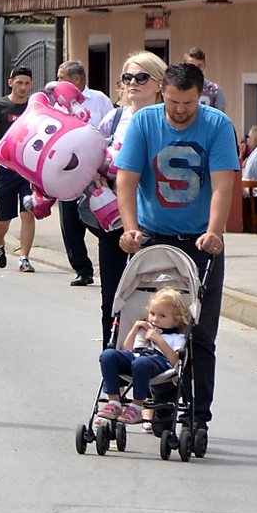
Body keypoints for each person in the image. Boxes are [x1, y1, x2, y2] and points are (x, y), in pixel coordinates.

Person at [115, 62, 239, 432]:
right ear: (161, 94)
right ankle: (163, 410)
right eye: (173, 101)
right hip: (154, 238)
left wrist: (215, 232)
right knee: (158, 326)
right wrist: (130, 229)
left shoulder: (217, 125)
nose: (180, 109)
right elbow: (126, 180)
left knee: (199, 333)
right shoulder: (144, 122)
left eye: (188, 102)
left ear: (200, 95)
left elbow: (222, 185)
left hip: (201, 241)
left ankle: (199, 417)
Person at [95, 52, 167, 338]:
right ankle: (111, 364)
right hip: (115, 221)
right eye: (127, 78)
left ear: (159, 84)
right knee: (112, 299)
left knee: (153, 299)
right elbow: (90, 156)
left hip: (154, 219)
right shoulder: (113, 119)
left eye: (141, 77)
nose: (133, 83)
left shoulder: (165, 120)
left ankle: (151, 361)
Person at [54, 60, 112, 287]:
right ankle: (82, 269)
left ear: (76, 79)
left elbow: (111, 132)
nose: (58, 82)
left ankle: (113, 254)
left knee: (97, 217)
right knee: (69, 221)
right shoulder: (56, 103)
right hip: (66, 171)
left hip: (95, 171)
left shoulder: (100, 100)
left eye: (61, 77)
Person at [96, 288, 190, 426]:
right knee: (108, 355)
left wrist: (158, 339)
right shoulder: (143, 330)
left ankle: (137, 406)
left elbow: (176, 361)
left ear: (176, 321)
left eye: (162, 316)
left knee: (141, 362)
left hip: (159, 363)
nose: (155, 319)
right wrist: (134, 331)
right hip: (136, 357)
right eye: (152, 314)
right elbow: (127, 350)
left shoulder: (177, 337)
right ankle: (114, 402)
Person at [0, 66, 36, 272]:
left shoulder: (35, 106)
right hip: (4, 168)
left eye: (26, 83)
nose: (23, 87)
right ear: (11, 83)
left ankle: (24, 258)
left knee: (28, 211)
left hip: (29, 169)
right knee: (3, 217)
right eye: (19, 83)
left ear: (31, 84)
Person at [183, 47, 226, 112]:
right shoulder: (177, 88)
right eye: (192, 66)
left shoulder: (215, 90)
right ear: (184, 66)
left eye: (199, 66)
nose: (196, 70)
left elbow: (221, 118)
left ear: (205, 66)